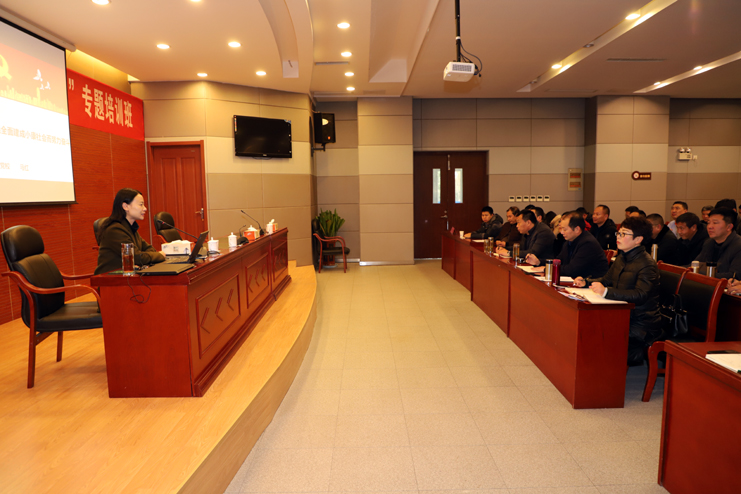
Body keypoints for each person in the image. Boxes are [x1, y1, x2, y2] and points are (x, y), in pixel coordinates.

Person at [573, 216, 661, 365]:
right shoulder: (622, 258)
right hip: (621, 314)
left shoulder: (647, 264)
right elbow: (606, 280)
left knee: (598, 337)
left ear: (638, 239)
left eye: (624, 234)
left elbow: (641, 295)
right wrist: (586, 282)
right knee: (585, 329)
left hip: (640, 323)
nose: (618, 237)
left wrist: (606, 292)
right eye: (618, 233)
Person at [95, 188, 166, 275]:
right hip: (110, 279)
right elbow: (136, 258)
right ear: (125, 206)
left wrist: (147, 255)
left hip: (128, 277)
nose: (145, 208)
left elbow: (149, 249)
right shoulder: (115, 230)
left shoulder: (130, 227)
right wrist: (160, 255)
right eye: (141, 205)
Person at [526, 211, 608, 279]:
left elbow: (572, 270)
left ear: (577, 229)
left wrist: (546, 269)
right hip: (576, 281)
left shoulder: (588, 243)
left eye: (565, 229)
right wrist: (539, 262)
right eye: (561, 229)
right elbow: (559, 260)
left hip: (591, 285)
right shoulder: (570, 240)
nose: (561, 232)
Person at [695, 207, 741, 279]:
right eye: (708, 223)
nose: (709, 227)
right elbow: (697, 264)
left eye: (715, 223)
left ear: (729, 227)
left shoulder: (738, 245)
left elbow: (735, 276)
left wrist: (698, 273)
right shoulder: (709, 242)